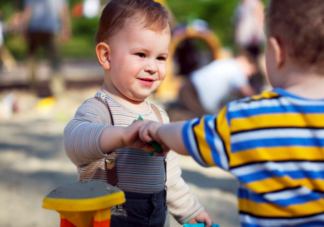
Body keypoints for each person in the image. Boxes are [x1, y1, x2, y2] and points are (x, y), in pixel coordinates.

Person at [139, 0, 324, 226]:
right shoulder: (235, 69)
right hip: (195, 92)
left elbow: (189, 137)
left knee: (189, 117)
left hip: (193, 90)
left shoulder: (250, 117)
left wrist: (158, 130)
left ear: (277, 53)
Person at [64, 1, 213, 227]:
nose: (153, 67)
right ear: (106, 56)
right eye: (141, 54)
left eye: (161, 57)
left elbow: (169, 177)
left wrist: (191, 210)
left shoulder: (159, 115)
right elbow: (74, 142)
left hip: (155, 216)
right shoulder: (100, 109)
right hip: (111, 218)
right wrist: (122, 136)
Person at [176, 52, 257, 119]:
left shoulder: (228, 63)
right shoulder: (236, 68)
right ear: (244, 60)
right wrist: (259, 100)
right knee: (196, 122)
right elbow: (247, 92)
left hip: (192, 86)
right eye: (251, 71)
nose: (249, 76)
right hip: (194, 92)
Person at [21, 0, 71, 94]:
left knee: (32, 57)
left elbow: (27, 10)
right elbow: (63, 10)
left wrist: (23, 27)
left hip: (35, 28)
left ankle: (32, 85)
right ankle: (58, 88)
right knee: (55, 60)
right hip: (52, 28)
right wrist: (66, 28)